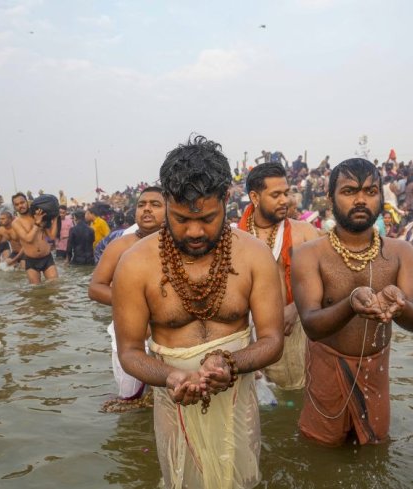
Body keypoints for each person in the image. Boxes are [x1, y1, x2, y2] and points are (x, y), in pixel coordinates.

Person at [112, 136, 284, 489]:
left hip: (237, 395)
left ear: (225, 201)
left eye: (207, 218)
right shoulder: (134, 264)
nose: (193, 231)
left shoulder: (253, 256)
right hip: (171, 399)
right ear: (166, 205)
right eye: (179, 219)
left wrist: (231, 363)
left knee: (245, 480)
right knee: (180, 481)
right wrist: (171, 376)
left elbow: (272, 340)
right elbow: (129, 351)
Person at [291, 158, 413, 446]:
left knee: (376, 450)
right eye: (350, 191)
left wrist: (400, 306)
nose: (361, 199)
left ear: (381, 196)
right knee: (320, 451)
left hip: (376, 373)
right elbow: (312, 325)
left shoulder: (402, 252)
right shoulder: (309, 254)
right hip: (326, 369)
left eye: (370, 191)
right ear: (330, 198)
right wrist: (350, 304)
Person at [238, 163, 320, 390]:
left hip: (291, 330)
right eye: (276, 195)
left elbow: (325, 281)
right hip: (247, 335)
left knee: (292, 398)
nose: (285, 200)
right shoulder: (234, 239)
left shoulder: (305, 232)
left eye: (286, 193)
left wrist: (295, 309)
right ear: (254, 196)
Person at [89, 187, 164, 403]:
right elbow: (96, 288)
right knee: (131, 402)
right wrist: (136, 305)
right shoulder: (121, 245)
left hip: (169, 333)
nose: (147, 209)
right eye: (142, 205)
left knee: (171, 399)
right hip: (129, 334)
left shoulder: (180, 244)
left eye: (155, 204)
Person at [13, 196, 58, 284]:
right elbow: (28, 239)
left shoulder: (39, 215)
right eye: (17, 204)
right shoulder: (16, 223)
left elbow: (51, 237)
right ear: (14, 207)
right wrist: (37, 223)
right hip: (31, 260)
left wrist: (56, 218)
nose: (20, 206)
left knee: (55, 286)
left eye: (22, 202)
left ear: (27, 202)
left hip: (47, 257)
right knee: (36, 292)